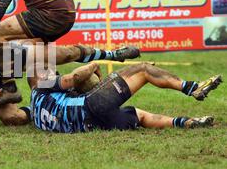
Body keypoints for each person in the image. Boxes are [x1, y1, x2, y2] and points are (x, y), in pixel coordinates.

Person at [0, 2, 140, 125]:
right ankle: (52, 106)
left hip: (7, 57)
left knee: (63, 54)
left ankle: (113, 53)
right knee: (11, 119)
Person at [25, 62, 222, 133]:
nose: (53, 73)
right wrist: (93, 64)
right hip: (90, 106)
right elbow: (75, 77)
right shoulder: (43, 85)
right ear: (38, 78)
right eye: (49, 70)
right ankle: (194, 88)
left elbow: (18, 116)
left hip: (91, 126)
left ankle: (187, 123)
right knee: (143, 70)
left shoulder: (34, 109)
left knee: (141, 116)